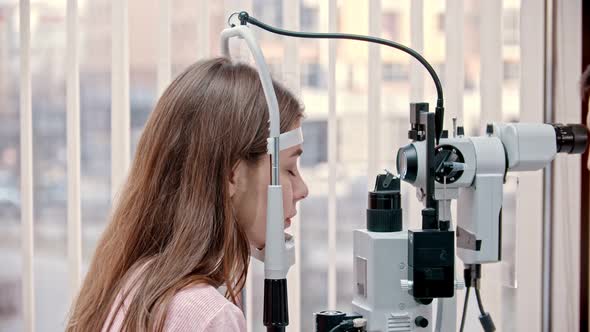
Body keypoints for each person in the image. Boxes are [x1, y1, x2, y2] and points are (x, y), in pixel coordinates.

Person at [66, 57, 309, 331]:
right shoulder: (209, 318)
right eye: (288, 169)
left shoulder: (130, 286)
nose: (303, 190)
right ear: (232, 174)